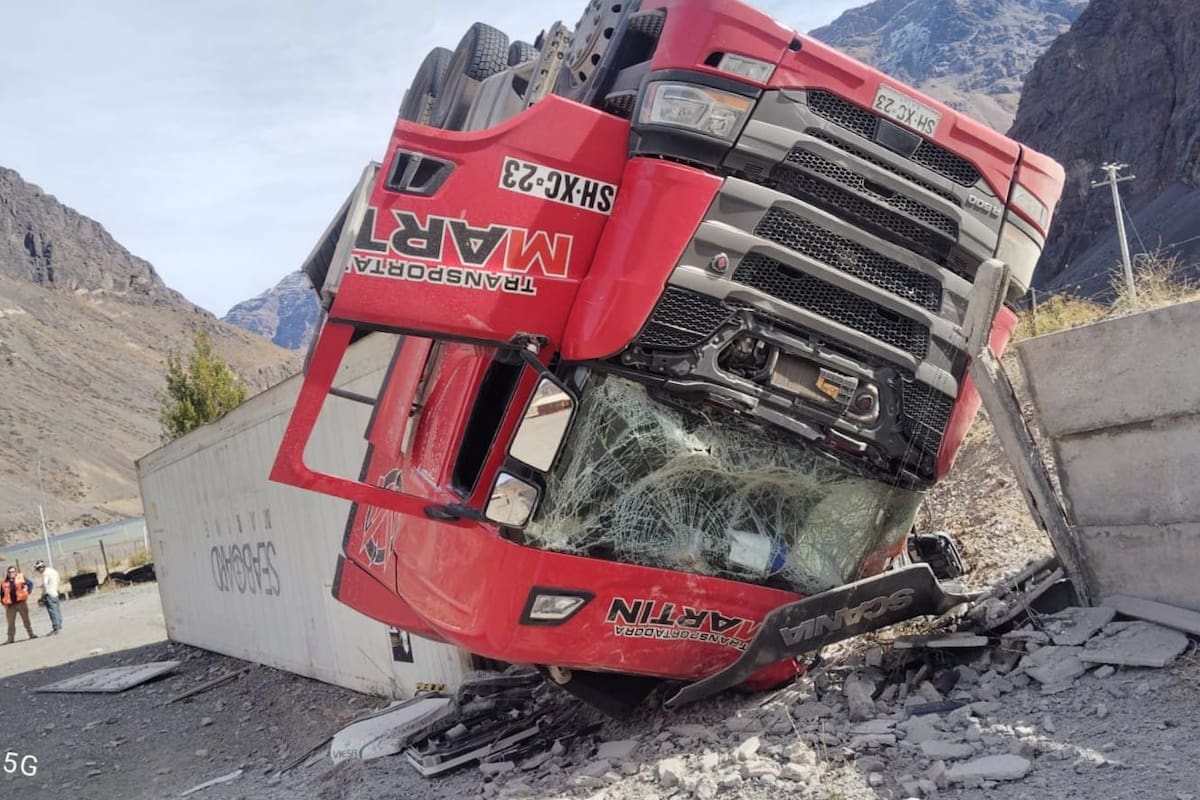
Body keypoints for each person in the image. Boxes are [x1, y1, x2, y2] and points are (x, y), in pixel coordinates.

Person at [1, 566, 37, 643]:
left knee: (26, 620)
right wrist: (3, 602)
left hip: (21, 603)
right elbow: (1, 593)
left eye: (13, 571)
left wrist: (28, 592)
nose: (11, 573)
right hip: (10, 606)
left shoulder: (21, 578)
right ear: (7, 573)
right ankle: (10, 639)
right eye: (9, 572)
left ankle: (31, 634)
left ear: (15, 572)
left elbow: (30, 584)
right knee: (10, 623)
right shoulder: (4, 582)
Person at [34, 561, 62, 635]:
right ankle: (59, 624)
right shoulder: (52, 570)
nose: (38, 571)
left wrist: (42, 596)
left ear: (40, 568)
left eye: (38, 569)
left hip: (49, 594)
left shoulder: (45, 574)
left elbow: (45, 585)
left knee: (52, 611)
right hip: (55, 592)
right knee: (57, 610)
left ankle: (56, 628)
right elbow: (58, 579)